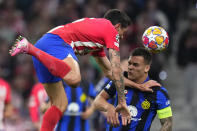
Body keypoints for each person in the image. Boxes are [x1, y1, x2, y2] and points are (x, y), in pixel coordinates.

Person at [9, 9, 159, 131]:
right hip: (56, 43)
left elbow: (110, 73)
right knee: (74, 79)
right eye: (123, 33)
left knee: (59, 104)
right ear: (118, 26)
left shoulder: (95, 40)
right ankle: (30, 48)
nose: (121, 37)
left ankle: (32, 49)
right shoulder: (109, 29)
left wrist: (138, 86)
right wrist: (122, 101)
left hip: (46, 48)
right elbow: (117, 68)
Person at [93, 47, 173, 131]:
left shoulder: (158, 92)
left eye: (135, 65)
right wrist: (109, 107)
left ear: (146, 68)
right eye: (129, 63)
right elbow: (97, 101)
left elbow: (167, 124)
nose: (130, 67)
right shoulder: (119, 80)